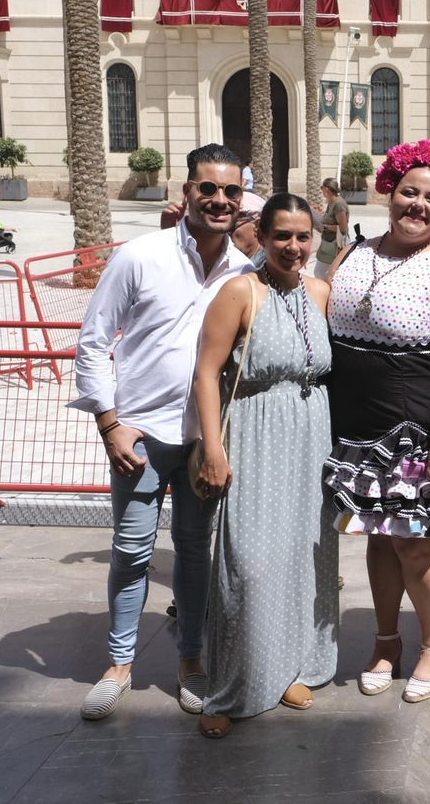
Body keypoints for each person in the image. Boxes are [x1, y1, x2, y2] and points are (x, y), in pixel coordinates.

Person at [70, 143, 257, 721]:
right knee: (130, 552)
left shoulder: (245, 272)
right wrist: (109, 424)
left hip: (206, 441)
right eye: (209, 188)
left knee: (195, 553)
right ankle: (119, 664)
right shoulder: (140, 256)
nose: (220, 200)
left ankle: (191, 661)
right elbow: (93, 342)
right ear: (187, 191)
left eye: (231, 191)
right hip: (141, 437)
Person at [323, 139, 430, 704]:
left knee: (415, 544)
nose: (419, 205)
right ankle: (385, 641)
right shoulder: (351, 253)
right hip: (353, 429)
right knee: (375, 538)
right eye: (410, 192)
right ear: (389, 192)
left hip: (414, 432)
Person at [189, 193, 336, 739]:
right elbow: (206, 374)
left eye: (303, 236)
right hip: (254, 435)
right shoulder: (240, 291)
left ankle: (289, 667)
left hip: (310, 438)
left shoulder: (319, 292)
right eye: (282, 236)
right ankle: (230, 685)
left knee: (301, 558)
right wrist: (214, 448)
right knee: (247, 563)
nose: (293, 247)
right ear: (262, 237)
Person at [315, 177, 350, 279]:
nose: (321, 190)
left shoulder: (339, 204)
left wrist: (326, 227)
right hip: (329, 243)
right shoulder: (331, 203)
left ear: (326, 189)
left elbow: (343, 228)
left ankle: (326, 288)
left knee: (320, 272)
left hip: (336, 244)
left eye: (322, 187)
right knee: (326, 273)